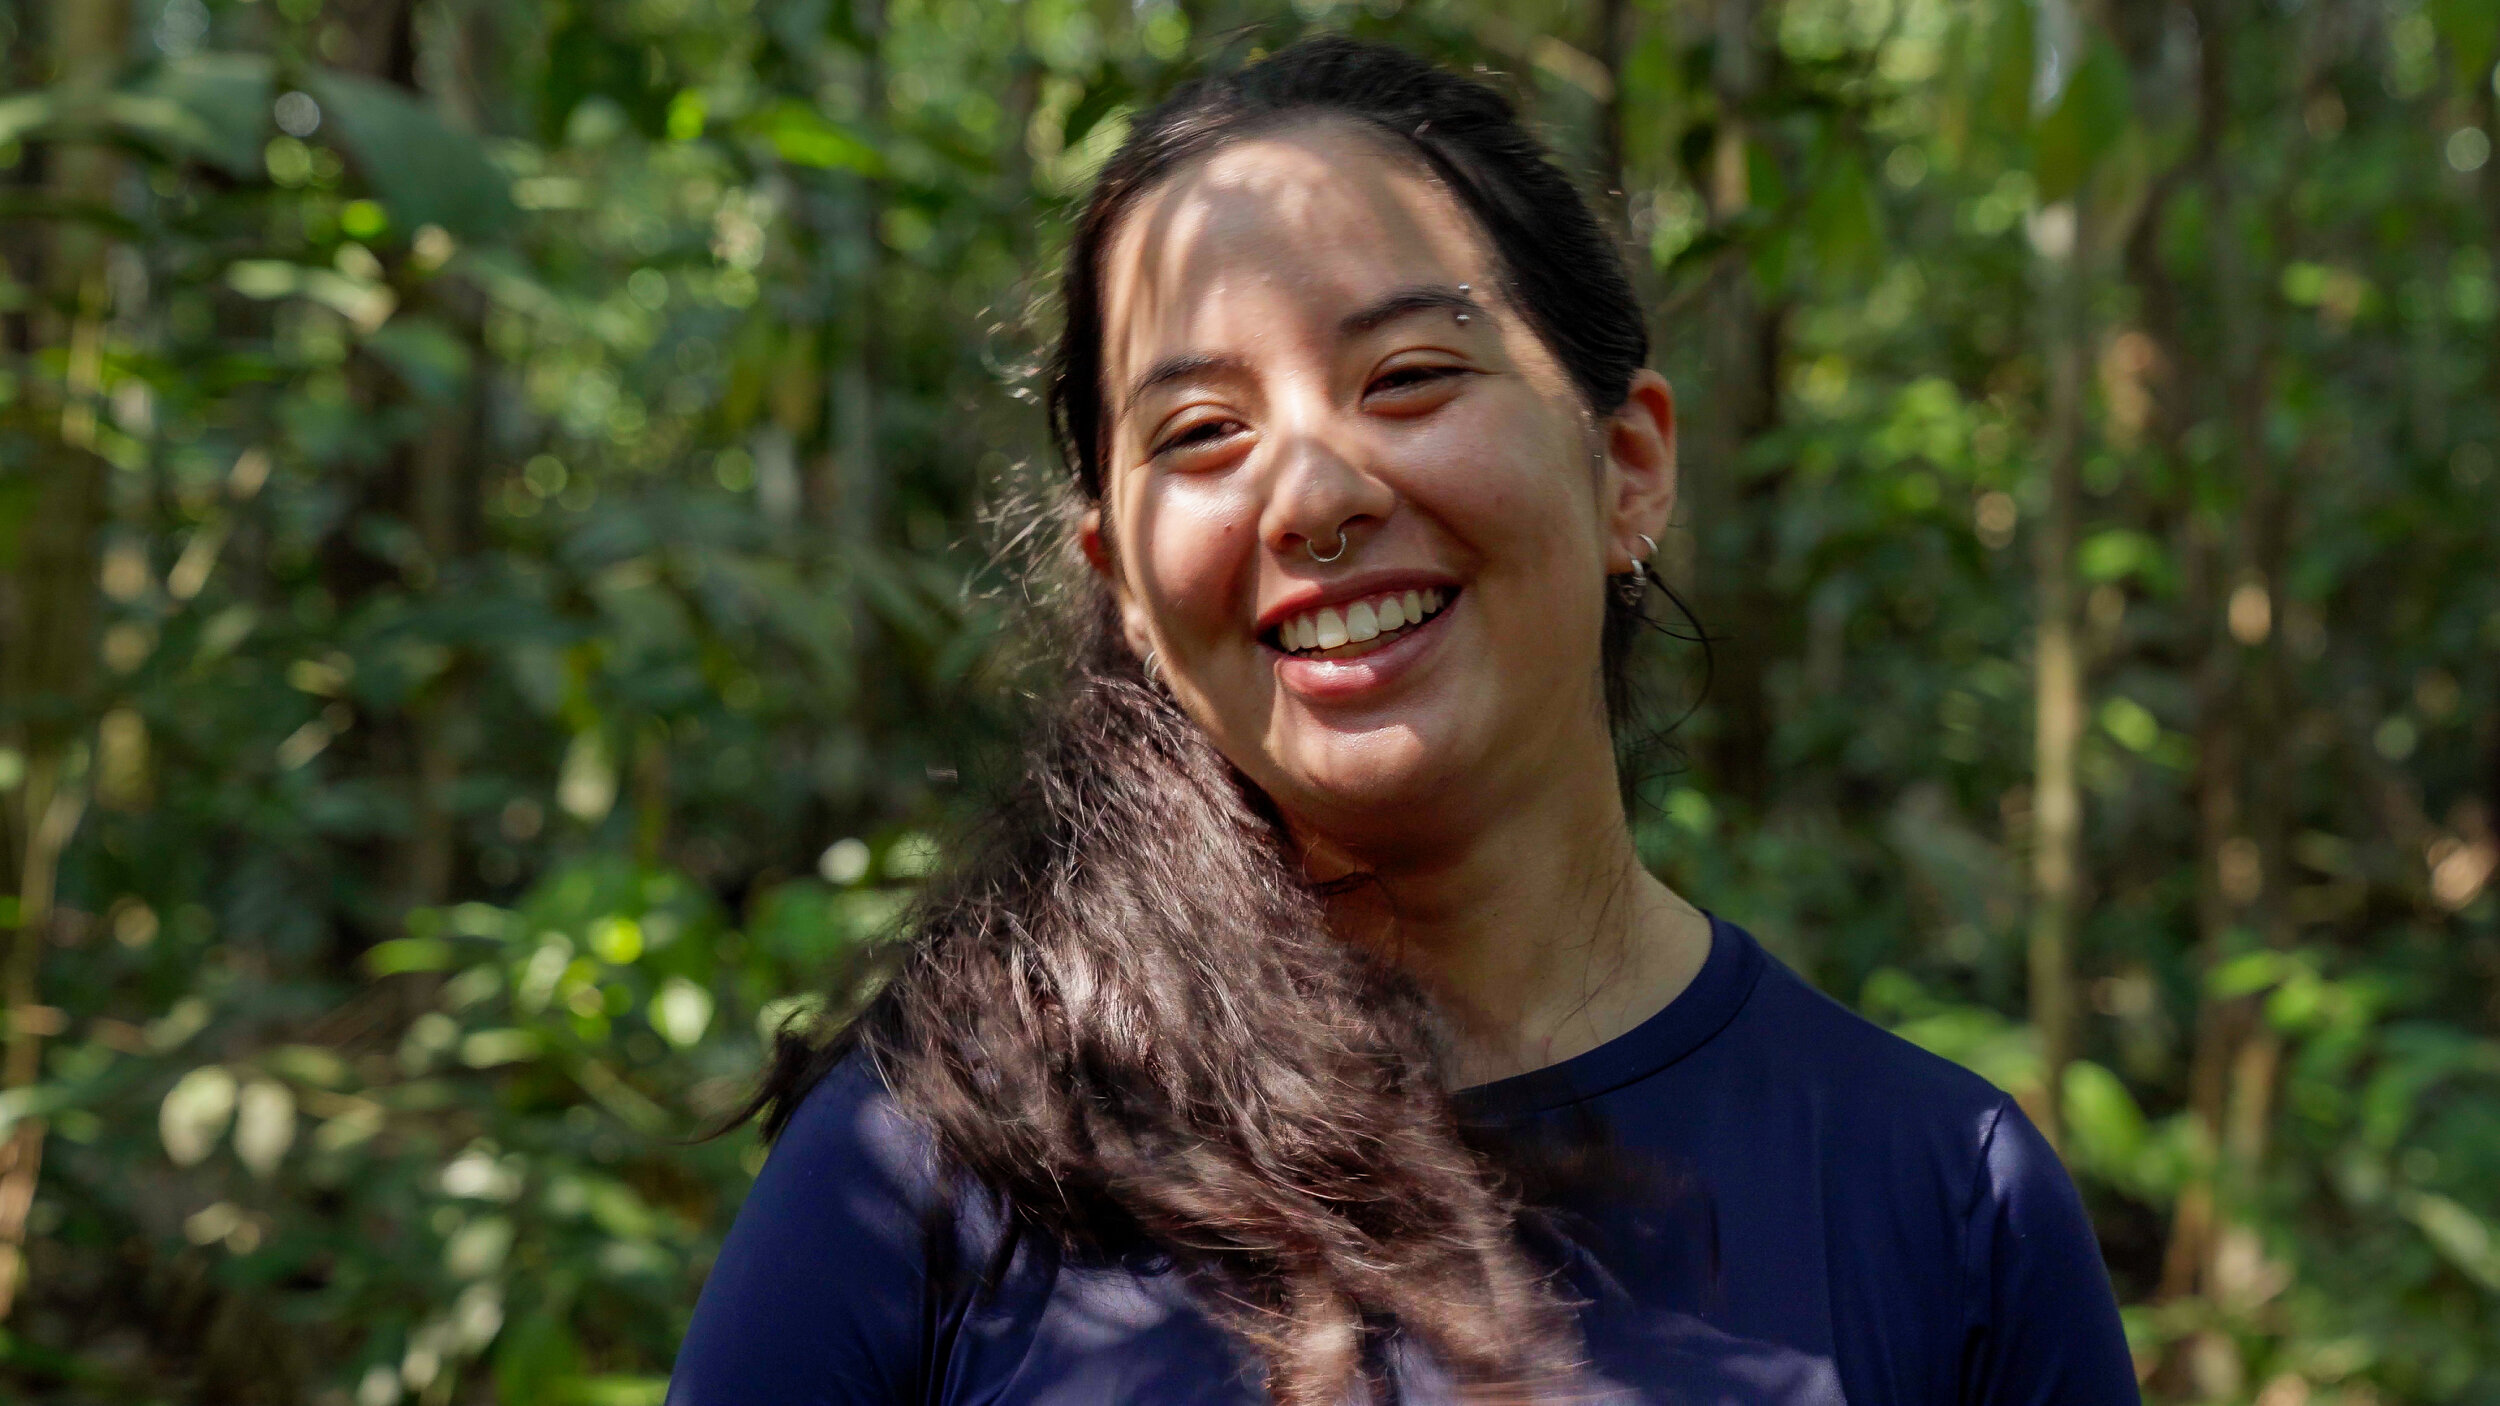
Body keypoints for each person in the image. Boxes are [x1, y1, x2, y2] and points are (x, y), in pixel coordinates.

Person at [667, 35, 2138, 1406]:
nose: (1313, 495)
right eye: (1201, 433)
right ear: (1119, 579)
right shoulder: (929, 1171)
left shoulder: (1944, 1198)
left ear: (1626, 463)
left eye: (1410, 378)